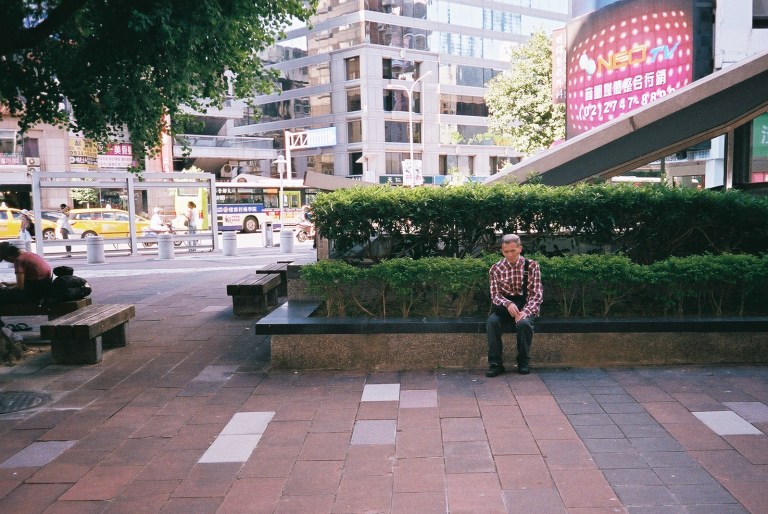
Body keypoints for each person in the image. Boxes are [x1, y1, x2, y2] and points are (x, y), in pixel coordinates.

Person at [485, 234, 543, 377]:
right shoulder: (495, 269)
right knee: (491, 323)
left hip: (526, 306)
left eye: (513, 251)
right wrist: (508, 304)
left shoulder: (532, 266)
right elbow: (495, 295)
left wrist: (525, 311)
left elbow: (537, 294)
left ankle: (523, 362)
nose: (509, 254)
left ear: (520, 249)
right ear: (501, 251)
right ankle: (496, 364)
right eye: (506, 252)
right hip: (505, 308)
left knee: (524, 324)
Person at [0, 242, 53, 327]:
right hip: (42, 290)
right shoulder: (30, 255)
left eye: (5, 259)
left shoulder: (19, 260)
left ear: (8, 255)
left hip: (32, 295)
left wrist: (5, 288)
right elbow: (29, 280)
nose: (7, 261)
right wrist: (8, 284)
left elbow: (20, 287)